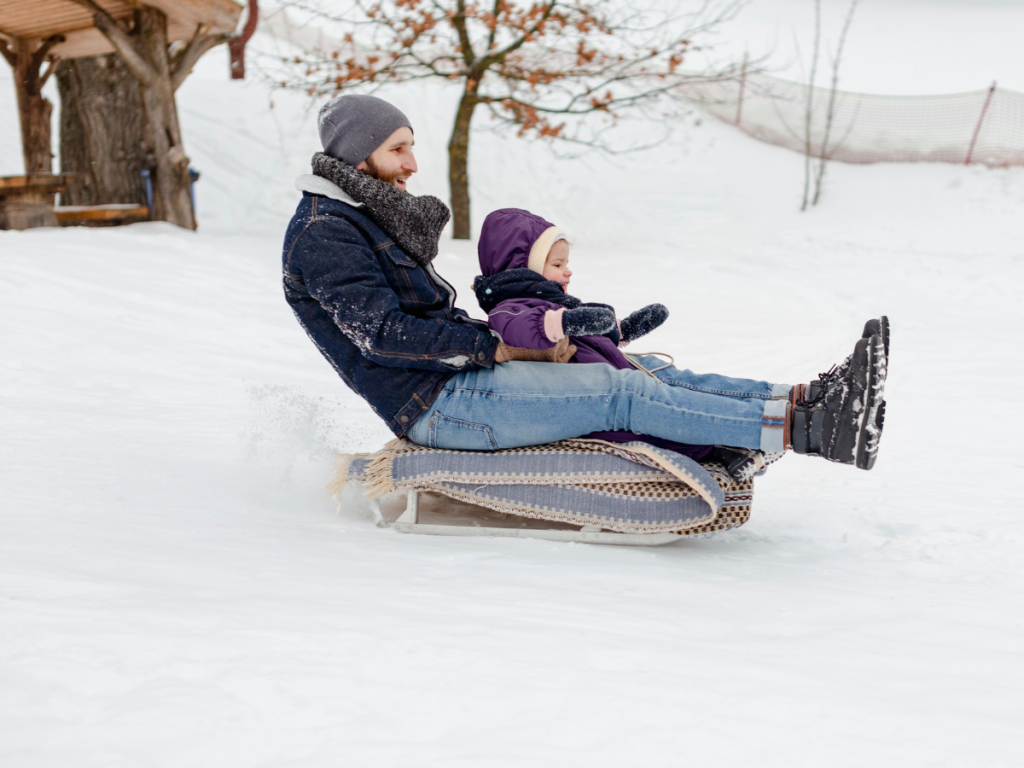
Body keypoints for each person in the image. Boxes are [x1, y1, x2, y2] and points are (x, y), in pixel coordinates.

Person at [283, 94, 888, 470]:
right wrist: (495, 345)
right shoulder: (325, 233)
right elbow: (381, 336)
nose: (414, 164)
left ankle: (807, 397)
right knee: (616, 391)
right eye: (399, 149)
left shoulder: (362, 218)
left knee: (646, 368)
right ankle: (810, 433)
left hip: (462, 379)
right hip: (434, 406)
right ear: (359, 155)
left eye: (412, 146)